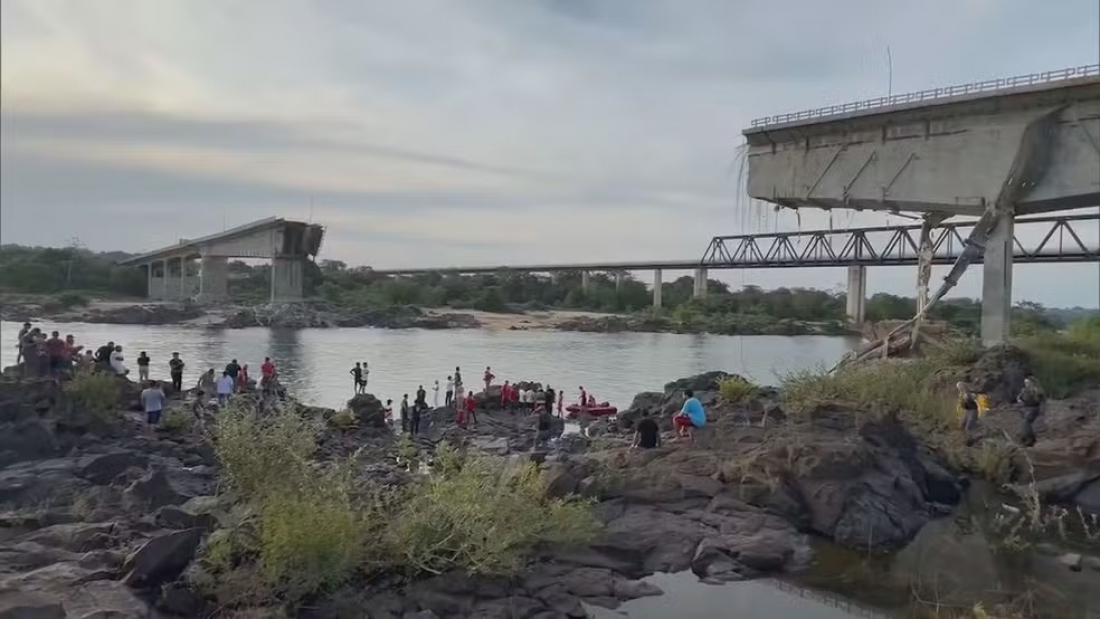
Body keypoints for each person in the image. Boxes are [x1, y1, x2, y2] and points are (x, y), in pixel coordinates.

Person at [1016, 376, 1045, 447]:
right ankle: (1026, 438)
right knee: (1023, 424)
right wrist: (1020, 400)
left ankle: (1029, 439)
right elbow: (1019, 397)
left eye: (1028, 382)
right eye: (1025, 383)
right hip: (1025, 408)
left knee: (1026, 422)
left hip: (1033, 408)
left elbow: (1040, 400)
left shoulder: (1037, 390)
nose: (1026, 384)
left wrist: (1035, 393)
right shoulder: (1024, 390)